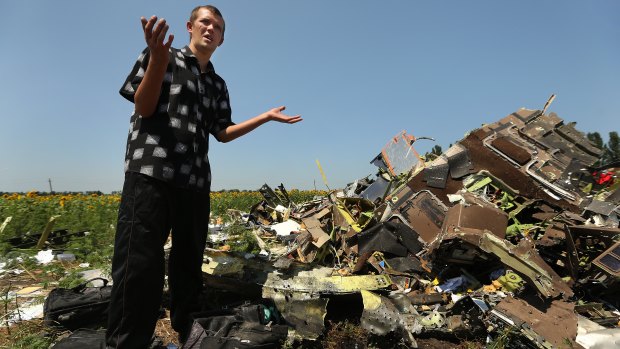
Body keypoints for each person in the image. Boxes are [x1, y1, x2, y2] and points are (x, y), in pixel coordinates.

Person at [106, 5, 302, 348]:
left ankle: (190, 333)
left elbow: (222, 132)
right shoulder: (162, 56)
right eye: (205, 22)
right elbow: (143, 106)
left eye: (218, 27)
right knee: (139, 264)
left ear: (222, 39)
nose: (211, 29)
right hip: (151, 171)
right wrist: (156, 57)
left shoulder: (217, 83)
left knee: (188, 264)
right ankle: (125, 342)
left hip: (195, 181)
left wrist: (265, 117)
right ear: (190, 27)